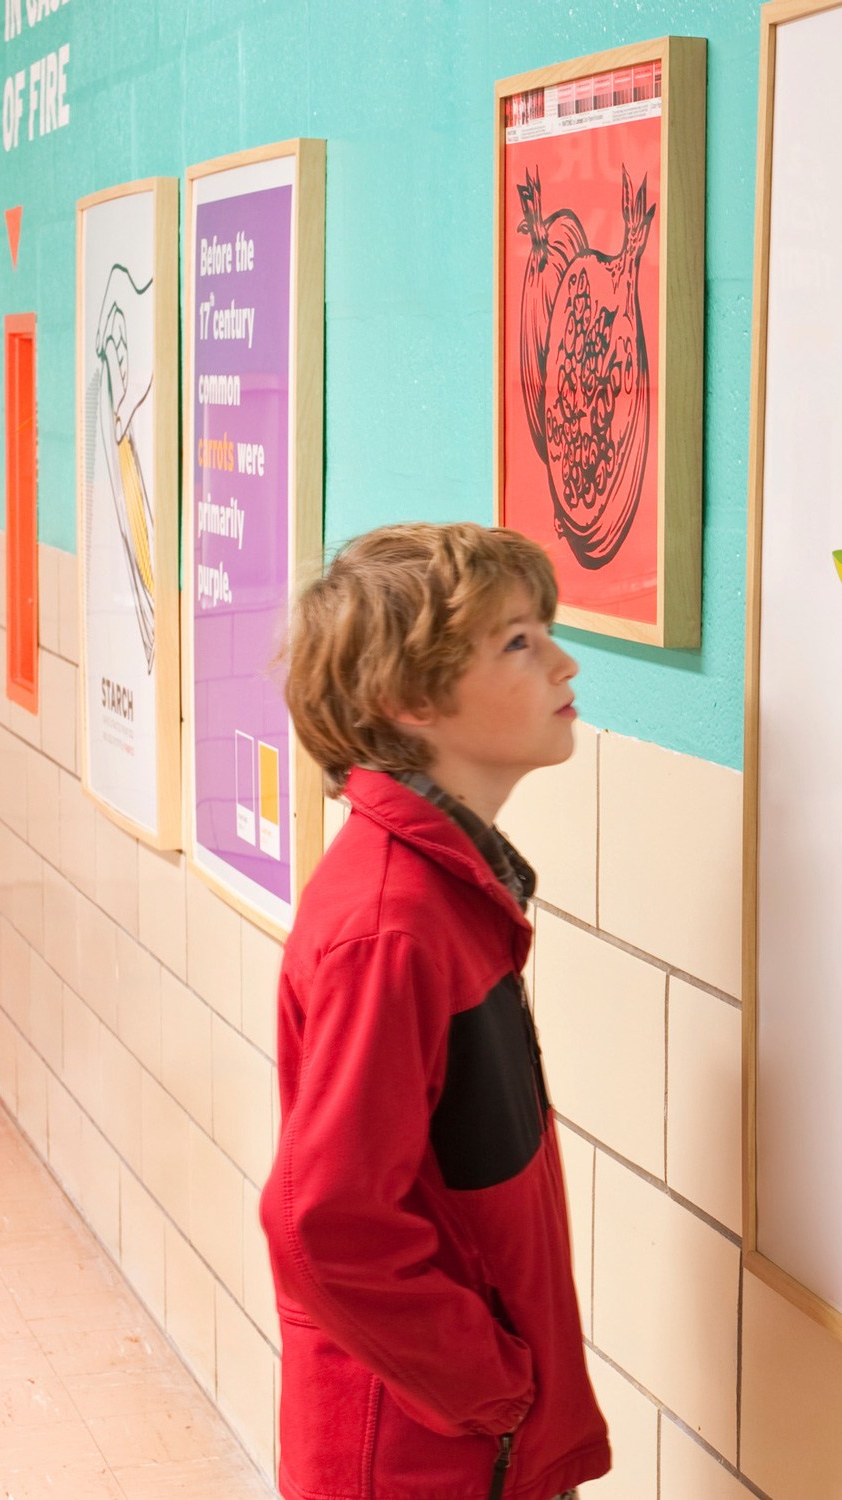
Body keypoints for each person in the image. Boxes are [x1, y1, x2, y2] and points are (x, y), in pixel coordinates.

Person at [259, 523, 606, 1500]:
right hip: (423, 1454)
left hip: (458, 1440)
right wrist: (495, 1392)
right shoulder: (393, 926)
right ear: (407, 702)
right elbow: (324, 1223)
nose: (562, 661)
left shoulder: (442, 892)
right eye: (518, 643)